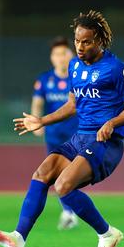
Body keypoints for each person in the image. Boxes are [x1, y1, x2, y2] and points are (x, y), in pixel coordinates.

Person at [0, 10, 124, 247]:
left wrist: (112, 122)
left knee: (63, 186)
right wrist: (41, 120)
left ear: (100, 41)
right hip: (80, 138)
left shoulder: (116, 68)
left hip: (105, 143)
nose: (80, 47)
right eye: (77, 41)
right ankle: (18, 238)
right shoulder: (74, 66)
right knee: (43, 173)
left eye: (87, 41)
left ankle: (106, 233)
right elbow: (73, 105)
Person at [31, 36, 79, 230]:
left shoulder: (78, 77)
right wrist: (36, 121)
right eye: (56, 54)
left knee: (71, 175)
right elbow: (38, 103)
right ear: (52, 58)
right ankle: (69, 212)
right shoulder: (44, 80)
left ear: (72, 55)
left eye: (64, 53)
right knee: (57, 175)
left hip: (77, 135)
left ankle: (71, 211)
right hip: (53, 136)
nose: (60, 58)